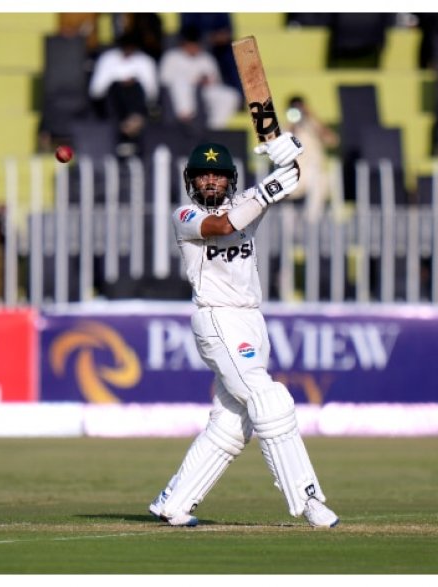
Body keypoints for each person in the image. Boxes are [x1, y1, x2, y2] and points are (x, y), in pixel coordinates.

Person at [147, 133, 340, 528]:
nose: (211, 182)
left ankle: (174, 502)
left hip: (251, 318)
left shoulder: (247, 202)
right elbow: (221, 226)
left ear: (230, 179)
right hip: (216, 317)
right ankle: (307, 500)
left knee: (233, 423)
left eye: (218, 175)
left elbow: (289, 183)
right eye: (203, 176)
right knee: (269, 399)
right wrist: (269, 187)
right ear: (191, 181)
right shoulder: (185, 216)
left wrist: (288, 156)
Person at [88, 31, 159, 155]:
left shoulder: (145, 61)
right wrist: (119, 82)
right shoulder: (107, 59)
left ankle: (131, 127)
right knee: (118, 88)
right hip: (112, 101)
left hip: (138, 101)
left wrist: (133, 82)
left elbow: (151, 91)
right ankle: (127, 129)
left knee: (134, 87)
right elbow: (97, 90)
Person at [158, 24, 241, 130]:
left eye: (195, 45)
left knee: (231, 96)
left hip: (203, 92)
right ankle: (186, 122)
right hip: (180, 94)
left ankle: (214, 128)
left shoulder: (206, 58)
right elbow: (165, 81)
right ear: (183, 44)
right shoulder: (171, 57)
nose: (193, 48)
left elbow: (215, 82)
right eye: (190, 45)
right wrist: (192, 80)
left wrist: (206, 81)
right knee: (180, 83)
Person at [285, 95, 340, 222]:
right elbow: (282, 145)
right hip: (295, 175)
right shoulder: (286, 127)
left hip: (316, 173)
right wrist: (292, 125)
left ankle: (311, 222)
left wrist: (312, 117)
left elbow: (333, 141)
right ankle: (309, 224)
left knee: (322, 181)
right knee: (317, 181)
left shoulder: (314, 125)